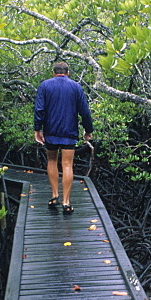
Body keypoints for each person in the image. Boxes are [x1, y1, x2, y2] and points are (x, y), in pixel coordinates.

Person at [33, 61, 93, 214]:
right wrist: (88, 129)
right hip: (69, 132)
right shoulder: (76, 87)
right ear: (68, 73)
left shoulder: (45, 86)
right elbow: (84, 111)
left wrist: (37, 129)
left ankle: (54, 195)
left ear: (54, 73)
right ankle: (66, 202)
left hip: (51, 131)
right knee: (67, 165)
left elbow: (39, 109)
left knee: (52, 161)